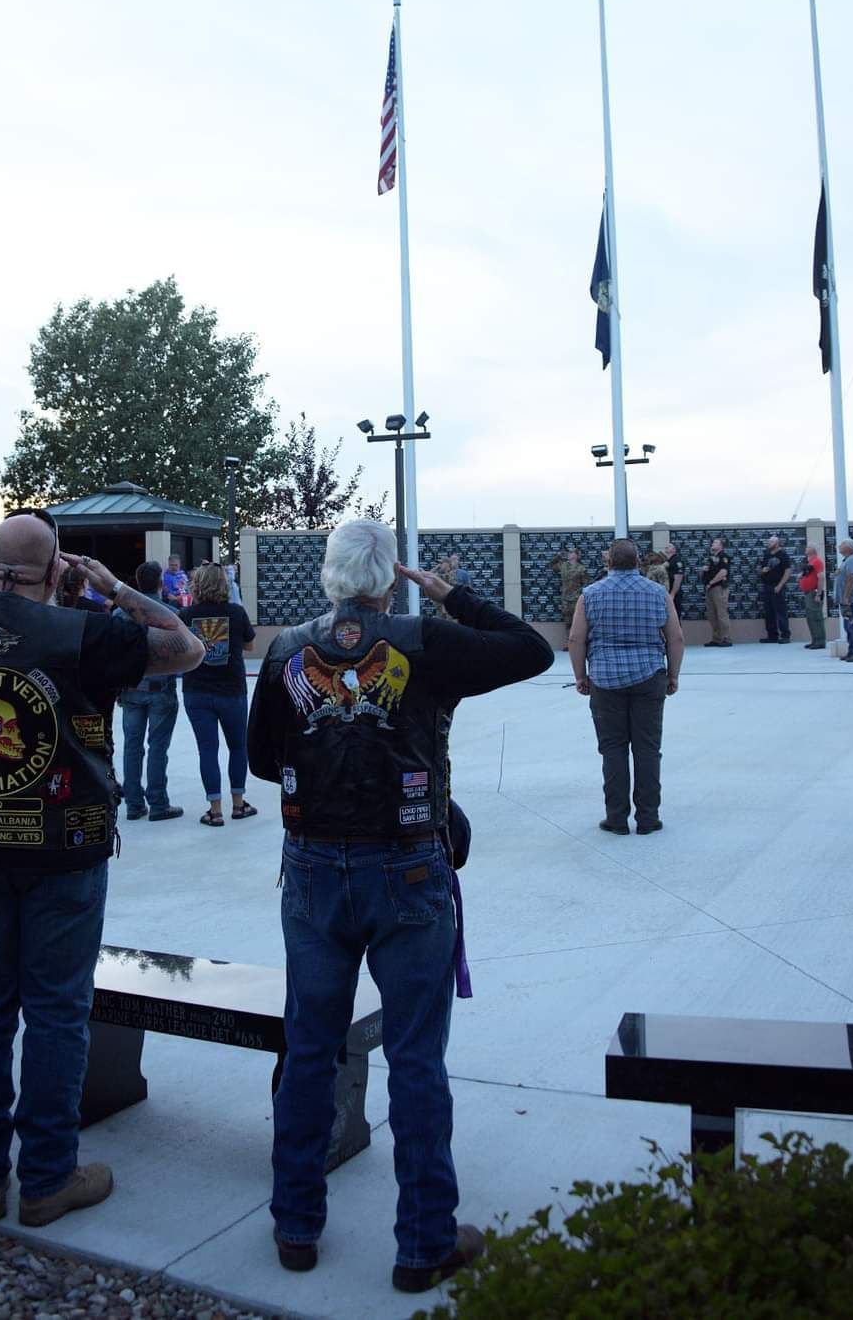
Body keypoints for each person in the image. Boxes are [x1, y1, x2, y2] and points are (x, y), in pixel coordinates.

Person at [247, 520, 553, 1293]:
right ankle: (423, 1243)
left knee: (311, 1048)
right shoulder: (425, 640)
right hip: (408, 868)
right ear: (392, 578)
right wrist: (453, 594)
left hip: (315, 865)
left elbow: (259, 758)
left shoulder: (288, 648)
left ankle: (295, 1224)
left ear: (329, 576)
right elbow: (530, 648)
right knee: (415, 1058)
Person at [0, 511, 203, 1228]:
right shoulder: (87, 634)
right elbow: (186, 648)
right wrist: (114, 587)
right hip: (66, 851)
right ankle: (49, 1180)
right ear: (57, 567)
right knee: (56, 1014)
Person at [568, 538, 684, 837]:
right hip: (649, 677)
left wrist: (581, 676)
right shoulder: (658, 593)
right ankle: (648, 818)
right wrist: (673, 676)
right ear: (638, 563)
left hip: (606, 681)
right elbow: (676, 638)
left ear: (609, 563)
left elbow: (576, 639)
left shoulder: (590, 594)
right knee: (647, 749)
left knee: (613, 750)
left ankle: (616, 818)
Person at [182, 563, 257, 826]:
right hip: (231, 690)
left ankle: (214, 810)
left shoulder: (185, 614)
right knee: (238, 747)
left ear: (197, 585)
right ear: (225, 585)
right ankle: (239, 804)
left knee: (207, 750)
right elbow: (250, 643)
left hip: (196, 690)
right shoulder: (236, 613)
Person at [118, 561, 183, 822]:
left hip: (131, 689)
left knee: (132, 746)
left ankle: (133, 803)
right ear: (160, 583)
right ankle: (158, 803)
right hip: (161, 688)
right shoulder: (170, 614)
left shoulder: (120, 615)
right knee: (158, 747)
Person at [835, 538, 853, 662]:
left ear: (848, 548)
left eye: (842, 544)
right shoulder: (846, 560)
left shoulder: (852, 560)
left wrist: (846, 597)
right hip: (846, 600)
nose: (839, 546)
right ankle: (851, 651)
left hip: (850, 600)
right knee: (848, 627)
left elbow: (851, 578)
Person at [759, 535, 792, 643]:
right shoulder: (766, 554)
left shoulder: (783, 554)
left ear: (777, 543)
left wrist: (780, 585)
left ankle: (785, 636)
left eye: (771, 542)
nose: (769, 543)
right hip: (766, 586)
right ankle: (772, 636)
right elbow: (761, 569)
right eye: (768, 541)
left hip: (777, 586)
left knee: (780, 612)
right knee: (769, 612)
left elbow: (788, 571)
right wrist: (763, 570)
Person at [701, 538, 732, 646]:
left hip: (719, 588)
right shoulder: (711, 558)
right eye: (713, 542)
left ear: (721, 546)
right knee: (712, 615)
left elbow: (723, 572)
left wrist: (711, 582)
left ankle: (726, 639)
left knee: (721, 614)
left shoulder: (723, 557)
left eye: (715, 542)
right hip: (710, 589)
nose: (713, 544)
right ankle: (717, 638)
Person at [550, 548, 590, 626]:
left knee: (577, 622)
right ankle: (569, 638)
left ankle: (576, 637)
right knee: (567, 623)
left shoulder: (581, 568)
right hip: (565, 599)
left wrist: (579, 593)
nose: (569, 553)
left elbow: (586, 584)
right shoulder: (563, 565)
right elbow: (552, 565)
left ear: (576, 555)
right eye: (569, 552)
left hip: (576, 599)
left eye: (571, 552)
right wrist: (558, 556)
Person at [799, 543, 827, 650]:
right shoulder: (809, 562)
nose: (806, 548)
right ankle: (814, 640)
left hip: (814, 593)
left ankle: (820, 641)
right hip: (808, 593)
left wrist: (818, 593)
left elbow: (821, 577)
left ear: (814, 550)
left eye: (808, 547)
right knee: (810, 618)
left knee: (816, 617)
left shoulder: (817, 561)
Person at [664, 544, 684, 620]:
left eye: (669, 546)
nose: (666, 547)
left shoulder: (677, 560)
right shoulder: (667, 561)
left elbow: (678, 578)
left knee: (675, 617)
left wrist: (672, 594)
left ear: (674, 550)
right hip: (667, 592)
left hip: (674, 593)